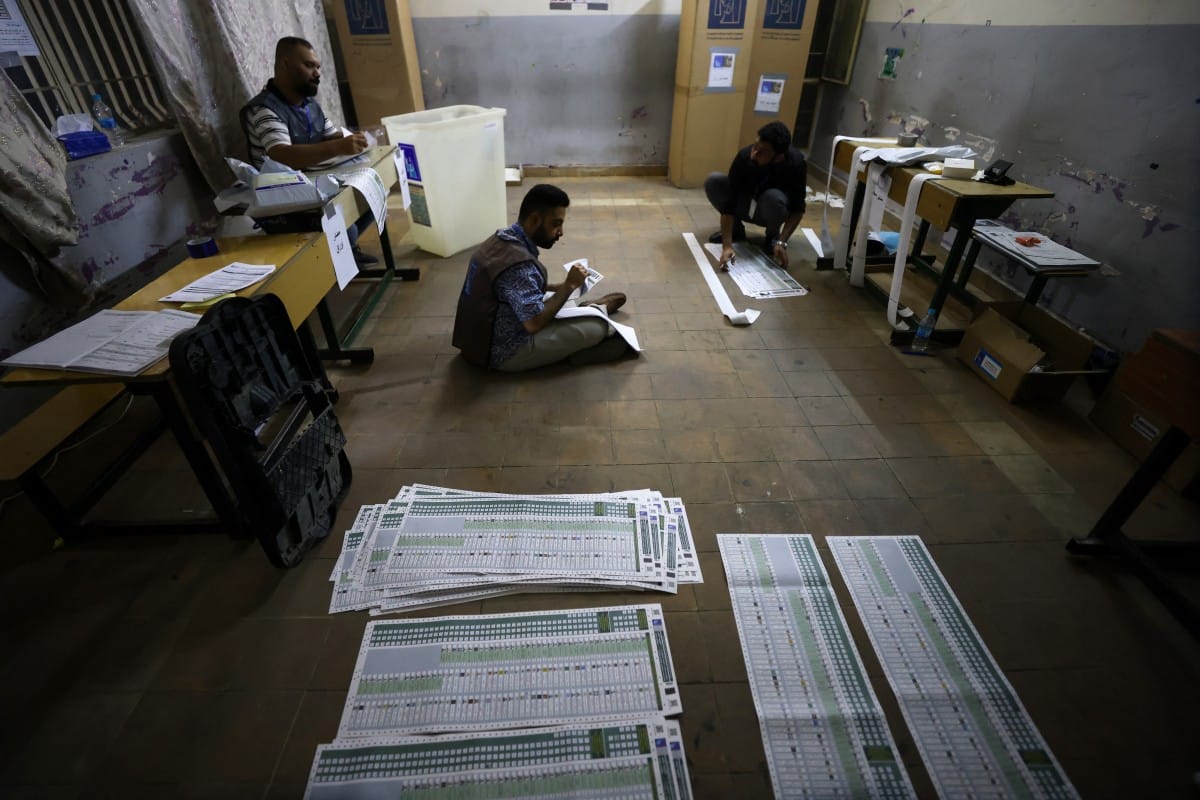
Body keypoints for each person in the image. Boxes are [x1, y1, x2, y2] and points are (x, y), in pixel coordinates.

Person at [452, 184, 631, 372]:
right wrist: (569, 285)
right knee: (596, 328)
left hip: (479, 339)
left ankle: (591, 310)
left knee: (553, 298)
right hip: (503, 352)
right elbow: (533, 323)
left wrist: (558, 287)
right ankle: (595, 321)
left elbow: (516, 290)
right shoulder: (519, 266)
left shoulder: (501, 239)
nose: (560, 232)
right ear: (535, 220)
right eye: (556, 224)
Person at [240, 36, 377, 265]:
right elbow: (282, 154)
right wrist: (339, 145)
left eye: (318, 67)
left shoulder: (308, 104)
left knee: (371, 195)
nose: (317, 73)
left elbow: (331, 135)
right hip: (279, 197)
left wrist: (354, 140)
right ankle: (335, 258)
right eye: (309, 65)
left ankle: (343, 252)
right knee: (346, 226)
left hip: (310, 185)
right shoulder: (264, 109)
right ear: (284, 65)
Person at [705, 120, 807, 271]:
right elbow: (729, 203)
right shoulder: (745, 157)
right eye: (755, 146)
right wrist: (727, 246)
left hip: (770, 211)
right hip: (745, 205)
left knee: (774, 198)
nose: (754, 154)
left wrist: (782, 242)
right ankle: (736, 231)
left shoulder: (796, 163)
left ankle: (772, 238)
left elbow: (798, 209)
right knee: (714, 181)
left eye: (762, 152)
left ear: (778, 156)